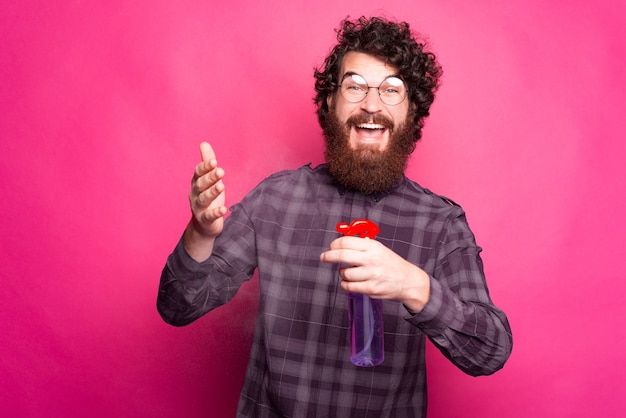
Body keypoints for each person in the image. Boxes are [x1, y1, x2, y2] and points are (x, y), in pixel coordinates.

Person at [158, 16, 513, 417]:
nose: (372, 104)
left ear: (412, 110)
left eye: (391, 90)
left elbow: (490, 351)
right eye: (355, 86)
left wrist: (415, 286)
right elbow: (176, 307)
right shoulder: (276, 198)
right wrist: (201, 233)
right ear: (331, 101)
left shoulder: (440, 223)